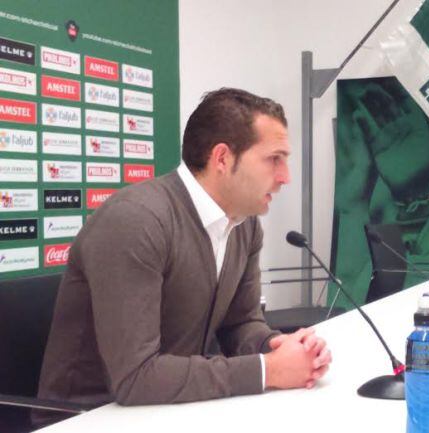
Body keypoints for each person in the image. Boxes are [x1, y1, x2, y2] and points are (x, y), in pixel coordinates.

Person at [36, 88, 332, 424]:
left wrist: (277, 347)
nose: (285, 177)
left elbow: (240, 323)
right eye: (273, 159)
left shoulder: (244, 225)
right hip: (89, 418)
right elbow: (136, 378)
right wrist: (267, 370)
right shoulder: (136, 221)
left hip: (174, 408)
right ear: (222, 158)